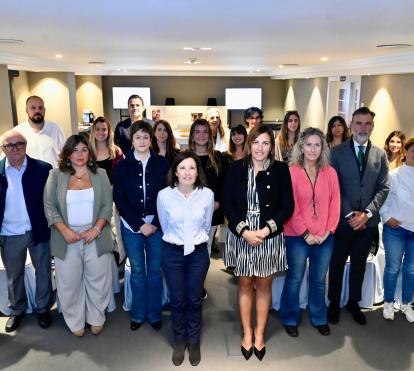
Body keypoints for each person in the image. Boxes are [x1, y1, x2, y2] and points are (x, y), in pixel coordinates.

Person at [223, 125, 294, 361]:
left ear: (271, 146)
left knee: (263, 286)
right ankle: (246, 333)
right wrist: (245, 231)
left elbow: (287, 206)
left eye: (265, 143)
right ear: (248, 144)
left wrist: (265, 230)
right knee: (244, 284)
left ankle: (259, 334)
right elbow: (228, 203)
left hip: (269, 236)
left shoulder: (281, 170)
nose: (260, 148)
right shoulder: (235, 169)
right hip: (242, 235)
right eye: (256, 142)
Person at [44, 135, 113, 336]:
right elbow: (49, 206)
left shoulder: (101, 174)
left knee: (98, 279)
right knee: (69, 281)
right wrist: (65, 231)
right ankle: (75, 320)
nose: (80, 154)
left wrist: (96, 229)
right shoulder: (55, 175)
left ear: (89, 153)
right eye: (75, 150)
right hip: (65, 237)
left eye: (84, 149)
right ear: (67, 154)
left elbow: (107, 206)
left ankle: (96, 316)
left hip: (96, 235)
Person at [327, 106, 389, 325]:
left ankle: (354, 301)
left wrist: (367, 214)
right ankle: (333, 302)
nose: (363, 127)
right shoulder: (337, 152)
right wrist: (351, 214)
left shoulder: (380, 154)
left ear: (372, 126)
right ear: (351, 125)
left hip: (368, 224)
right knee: (336, 263)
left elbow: (383, 188)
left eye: (368, 123)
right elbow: (334, 187)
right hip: (344, 221)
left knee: (359, 264)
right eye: (359, 123)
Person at [280, 128, 340, 337]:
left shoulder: (330, 172)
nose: (313, 149)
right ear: (301, 146)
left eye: (317, 145)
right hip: (297, 235)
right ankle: (289, 317)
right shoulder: (292, 171)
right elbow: (290, 206)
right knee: (295, 277)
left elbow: (335, 204)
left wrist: (328, 231)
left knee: (318, 279)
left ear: (322, 148)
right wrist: (305, 233)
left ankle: (319, 317)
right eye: (309, 144)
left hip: (324, 236)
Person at [157, 151, 214, 366]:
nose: (187, 172)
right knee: (177, 300)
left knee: (194, 299)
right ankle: (180, 340)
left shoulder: (207, 194)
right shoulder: (164, 195)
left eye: (192, 167)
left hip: (198, 254)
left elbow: (207, 225)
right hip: (173, 253)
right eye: (182, 168)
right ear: (175, 171)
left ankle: (194, 340)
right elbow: (164, 224)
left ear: (197, 171)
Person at [113, 120, 169, 331]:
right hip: (131, 227)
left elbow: (167, 197)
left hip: (157, 226)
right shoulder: (122, 166)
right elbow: (119, 199)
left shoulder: (162, 164)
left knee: (155, 271)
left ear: (151, 139)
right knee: (137, 271)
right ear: (132, 139)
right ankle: (138, 314)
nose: (142, 141)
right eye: (138, 137)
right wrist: (139, 224)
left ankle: (154, 314)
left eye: (146, 137)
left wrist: (153, 223)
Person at [0, 130, 53, 332]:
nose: (15, 148)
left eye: (19, 144)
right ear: (2, 149)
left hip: (38, 230)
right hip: (9, 233)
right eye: (9, 145)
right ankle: (17, 310)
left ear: (25, 145)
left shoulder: (42, 169)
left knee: (43, 272)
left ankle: (43, 309)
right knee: (14, 276)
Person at [380, 137, 414, 322]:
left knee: (411, 270)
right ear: (406, 152)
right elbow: (383, 200)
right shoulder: (394, 175)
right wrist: (386, 217)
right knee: (393, 268)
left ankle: (407, 303)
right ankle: (388, 302)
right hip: (396, 229)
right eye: (413, 150)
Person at [188, 119, 228, 258]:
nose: (201, 135)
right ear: (192, 135)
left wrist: (218, 202)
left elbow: (224, 183)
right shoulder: (185, 157)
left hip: (213, 210)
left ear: (210, 134)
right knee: (189, 248)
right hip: (189, 211)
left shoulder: (218, 157)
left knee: (206, 248)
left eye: (205, 131)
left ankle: (199, 278)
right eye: (197, 132)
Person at [15, 95, 65, 168]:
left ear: (44, 110)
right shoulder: (18, 132)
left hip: (54, 176)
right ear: (26, 110)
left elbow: (66, 153)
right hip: (31, 177)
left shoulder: (56, 128)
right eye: (33, 108)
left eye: (40, 108)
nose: (37, 111)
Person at [89, 116, 124, 185]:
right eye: (97, 129)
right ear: (93, 131)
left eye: (104, 129)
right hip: (92, 192)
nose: (101, 132)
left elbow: (123, 175)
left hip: (112, 193)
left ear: (108, 132)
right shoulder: (87, 152)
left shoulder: (116, 152)